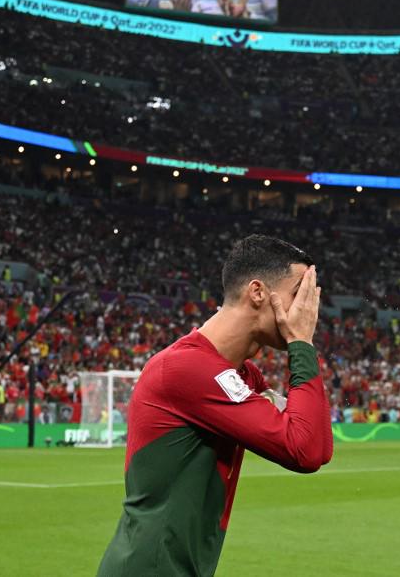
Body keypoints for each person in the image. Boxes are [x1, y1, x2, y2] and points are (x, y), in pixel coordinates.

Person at [97, 235, 332, 576]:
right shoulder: (184, 369)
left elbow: (319, 447)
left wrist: (303, 345)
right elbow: (304, 451)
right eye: (299, 293)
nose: (307, 310)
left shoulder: (242, 375)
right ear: (257, 292)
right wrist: (301, 343)